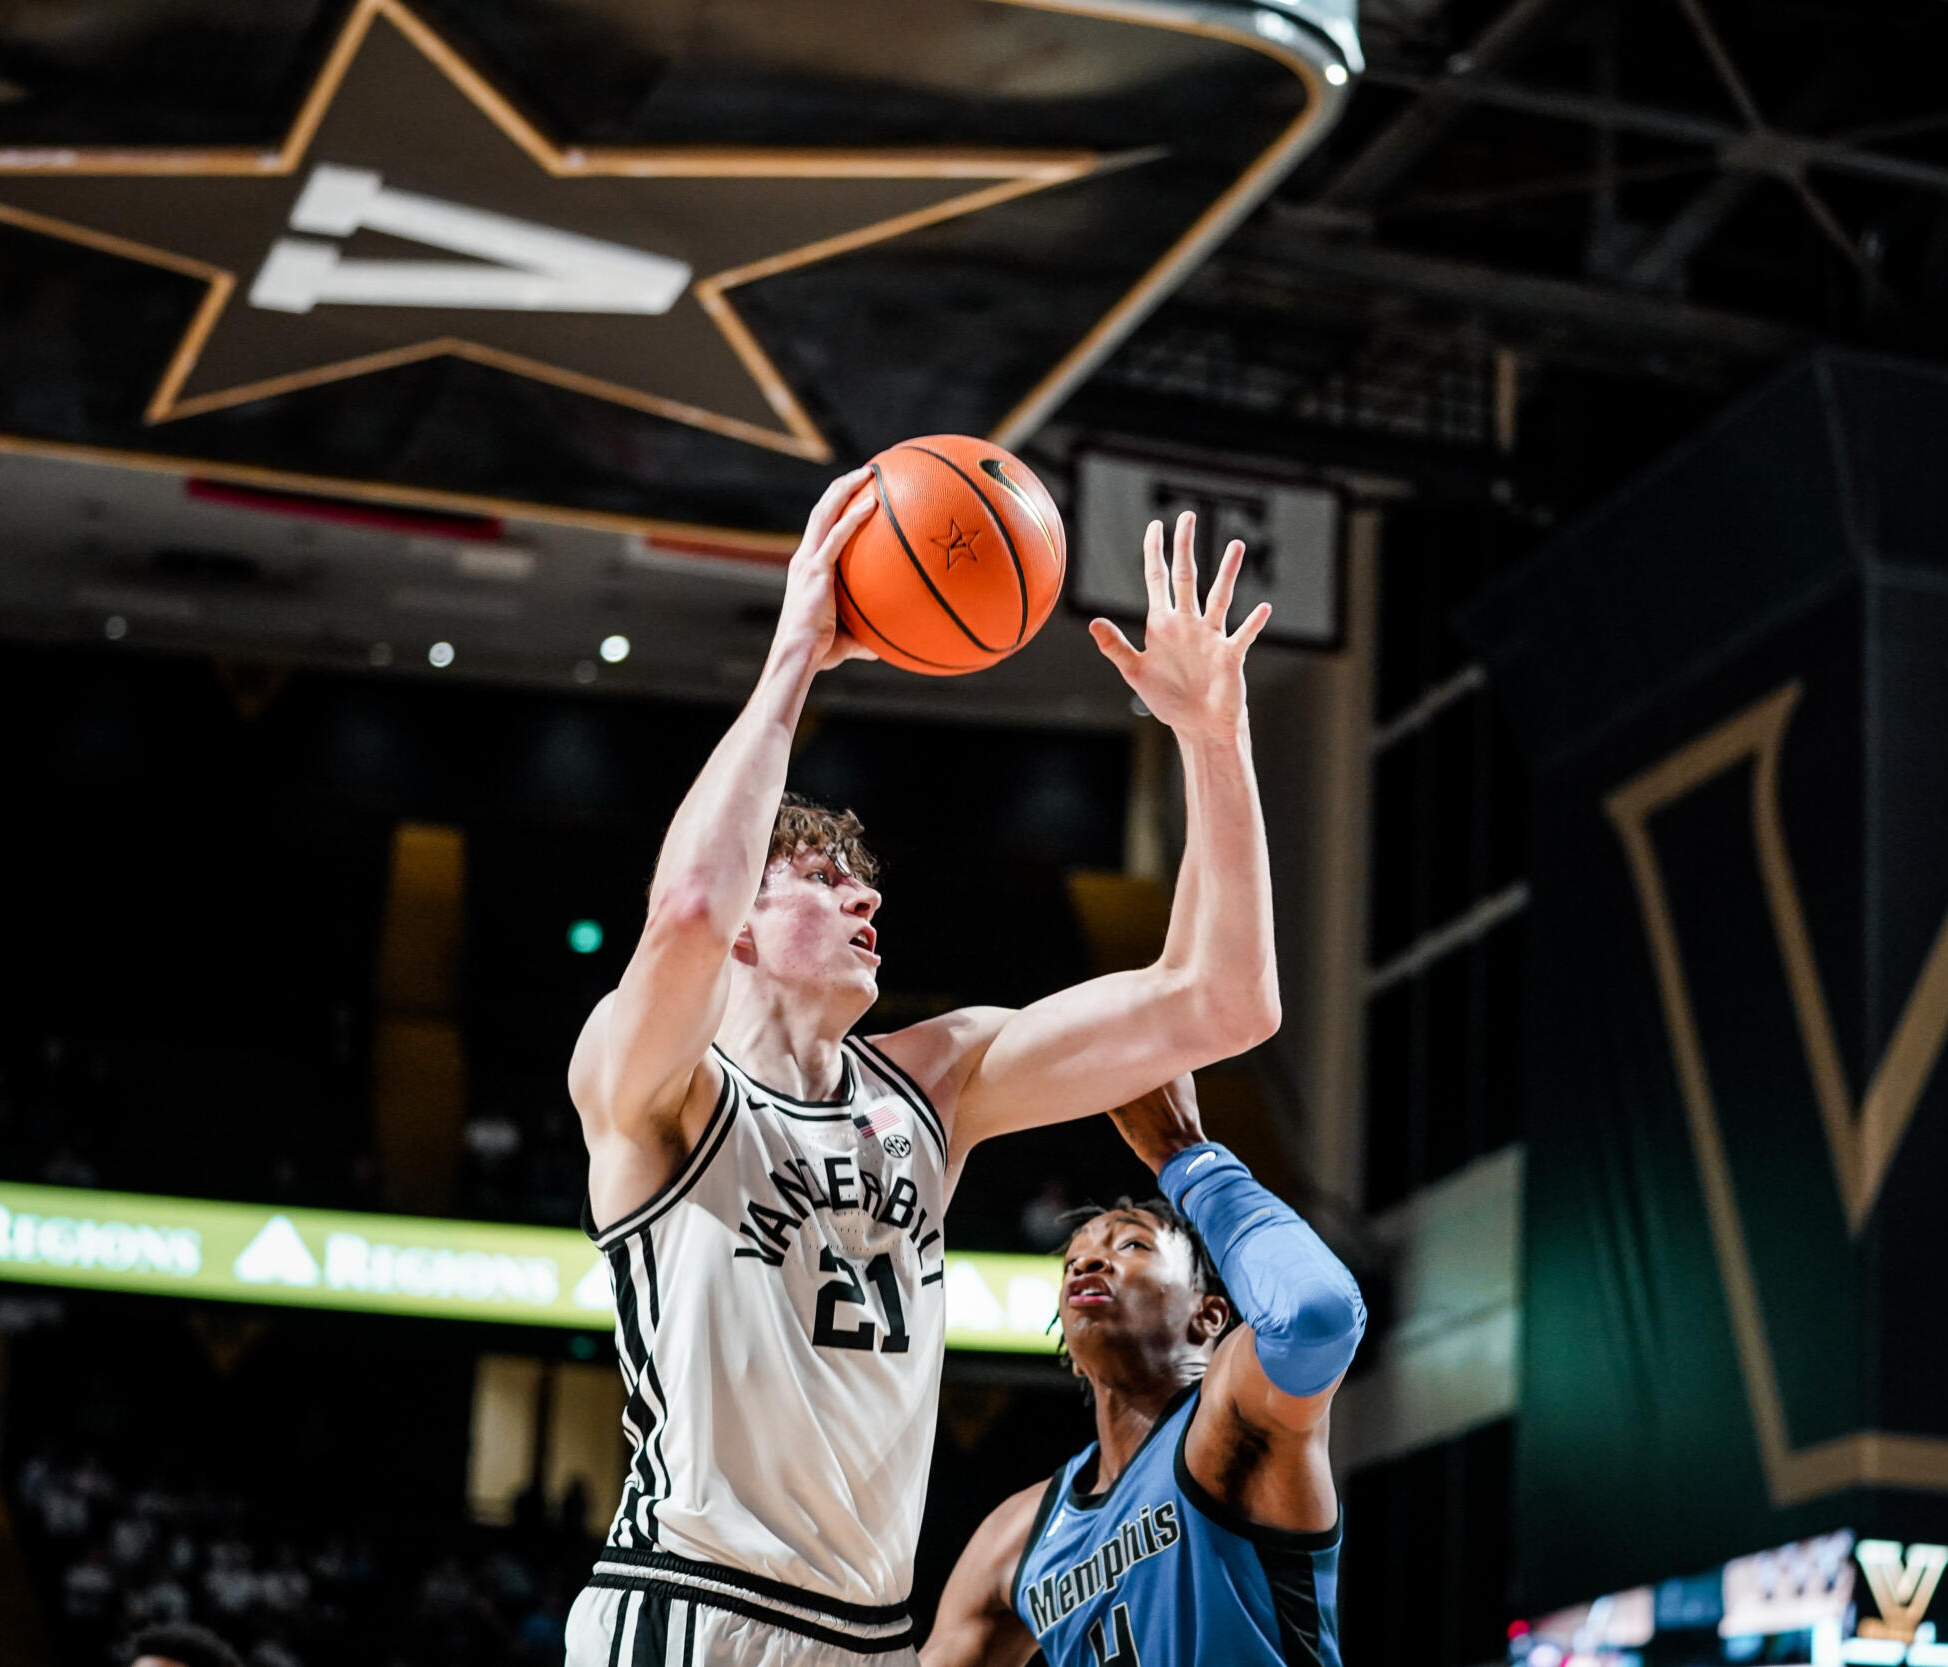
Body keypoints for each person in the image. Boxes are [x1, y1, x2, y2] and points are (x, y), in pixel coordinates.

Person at [563, 473, 1282, 1667]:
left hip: (871, 1633)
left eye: (868, 879)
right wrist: (799, 647)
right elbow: (685, 903)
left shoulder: (934, 1082)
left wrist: (1214, 738)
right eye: (824, 878)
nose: (867, 892)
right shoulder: (653, 1089)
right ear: (748, 919)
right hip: (689, 1608)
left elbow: (1224, 1001)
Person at [921, 1074, 1364, 1667]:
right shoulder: (1019, 1534)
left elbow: (1316, 1316)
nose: (1089, 1261)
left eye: (1131, 1245)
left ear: (1208, 1316)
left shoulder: (1226, 1422)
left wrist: (1187, 1158)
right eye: (1075, 1257)